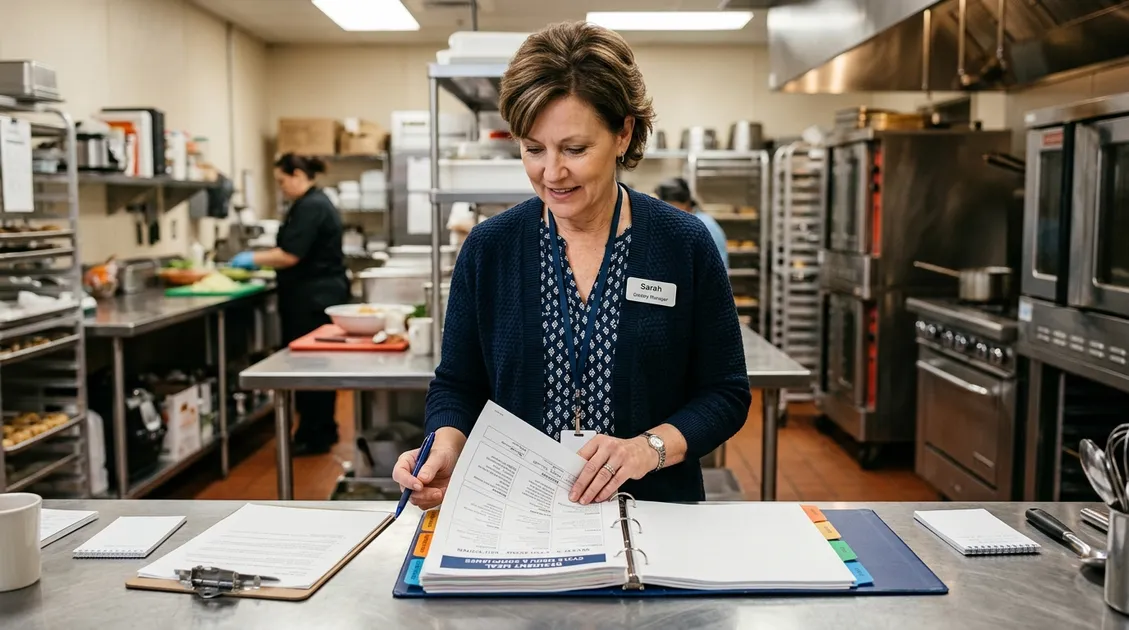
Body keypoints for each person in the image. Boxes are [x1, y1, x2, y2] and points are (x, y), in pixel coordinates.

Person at [392, 21, 750, 509]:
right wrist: (446, 447)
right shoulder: (489, 248)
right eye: (533, 149)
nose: (551, 173)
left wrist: (650, 448)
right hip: (517, 514)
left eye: (575, 150)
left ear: (623, 133)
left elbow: (724, 393)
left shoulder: (684, 244)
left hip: (654, 515)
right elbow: (457, 384)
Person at [230, 153, 349, 455]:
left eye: (282, 181)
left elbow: (290, 254)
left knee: (310, 368)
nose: (281, 187)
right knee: (317, 369)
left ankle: (314, 436)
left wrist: (252, 259)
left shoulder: (311, 206)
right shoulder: (312, 203)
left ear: (297, 174)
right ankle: (321, 429)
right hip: (315, 295)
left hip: (312, 299)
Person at [655, 177, 729, 268]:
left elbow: (717, 270)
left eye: (669, 206)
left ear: (685, 203)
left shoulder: (705, 225)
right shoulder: (678, 223)